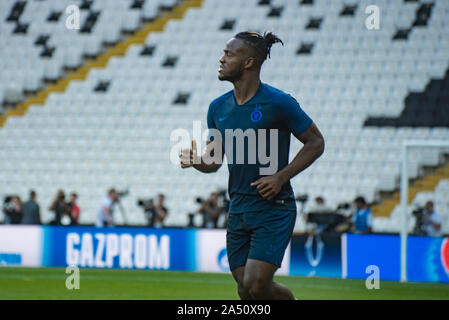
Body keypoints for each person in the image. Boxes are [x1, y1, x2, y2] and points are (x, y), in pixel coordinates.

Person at [180, 31, 324, 300]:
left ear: (248, 62)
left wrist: (281, 177)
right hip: (238, 207)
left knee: (256, 284)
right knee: (246, 289)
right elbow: (213, 161)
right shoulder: (217, 108)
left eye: (229, 53)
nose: (221, 59)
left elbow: (316, 142)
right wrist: (198, 162)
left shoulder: (279, 102)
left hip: (274, 207)